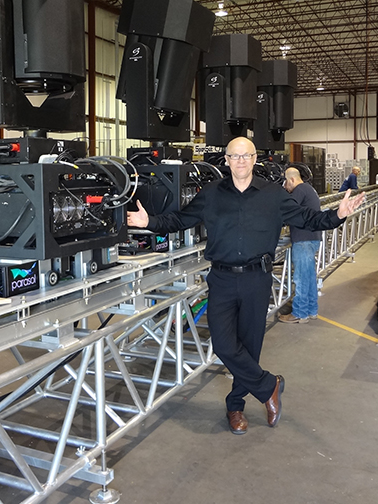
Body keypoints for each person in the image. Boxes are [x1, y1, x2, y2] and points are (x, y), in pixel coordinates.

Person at [126, 137, 365, 435]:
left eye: (246, 156)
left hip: (257, 278)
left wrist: (338, 215)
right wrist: (151, 220)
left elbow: (308, 218)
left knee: (249, 347)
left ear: (254, 159)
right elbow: (180, 219)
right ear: (226, 160)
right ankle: (269, 386)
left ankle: (235, 406)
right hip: (222, 279)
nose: (240, 161)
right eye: (235, 156)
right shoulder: (211, 194)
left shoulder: (273, 195)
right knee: (225, 345)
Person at [278, 167, 321, 324]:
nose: (286, 188)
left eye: (286, 184)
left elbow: (286, 210)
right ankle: (311, 310)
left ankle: (299, 313)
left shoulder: (299, 189)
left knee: (301, 278)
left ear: (292, 180)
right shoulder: (309, 189)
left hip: (303, 240)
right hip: (312, 238)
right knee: (309, 277)